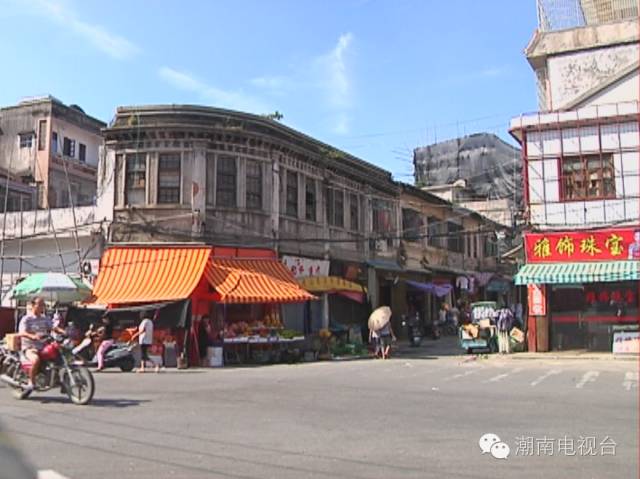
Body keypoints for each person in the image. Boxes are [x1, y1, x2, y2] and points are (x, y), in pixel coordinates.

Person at [17, 297, 64, 394]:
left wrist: (65, 332)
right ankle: (31, 382)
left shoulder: (44, 318)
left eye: (43, 305)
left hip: (43, 346)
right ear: (33, 305)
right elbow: (22, 332)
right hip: (29, 347)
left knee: (58, 355)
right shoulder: (26, 319)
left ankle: (58, 380)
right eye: (40, 304)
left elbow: (53, 327)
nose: (42, 307)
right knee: (36, 359)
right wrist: (33, 336)